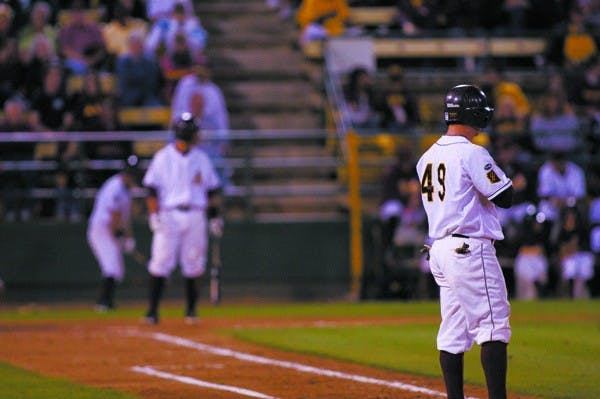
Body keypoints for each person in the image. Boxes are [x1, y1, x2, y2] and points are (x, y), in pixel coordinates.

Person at [416, 84, 513, 399]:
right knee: (494, 326)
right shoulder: (472, 152)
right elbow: (505, 195)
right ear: (473, 113)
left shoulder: (427, 156)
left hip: (441, 251)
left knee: (453, 333)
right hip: (469, 249)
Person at [142, 112, 222, 325]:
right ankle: (152, 310)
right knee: (160, 262)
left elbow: (212, 191)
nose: (198, 135)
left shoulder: (201, 158)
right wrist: (154, 214)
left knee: (194, 264)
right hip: (169, 214)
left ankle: (191, 310)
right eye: (195, 131)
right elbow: (151, 189)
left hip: (196, 213)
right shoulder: (163, 157)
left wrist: (215, 217)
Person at [87, 155, 140, 311]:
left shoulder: (125, 191)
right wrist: (119, 235)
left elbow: (125, 218)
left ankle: (107, 302)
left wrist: (128, 238)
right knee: (112, 267)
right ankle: (103, 302)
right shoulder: (115, 186)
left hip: (110, 228)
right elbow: (114, 215)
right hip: (101, 229)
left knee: (117, 270)